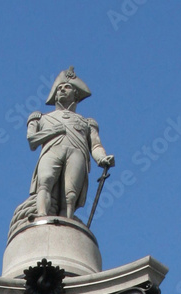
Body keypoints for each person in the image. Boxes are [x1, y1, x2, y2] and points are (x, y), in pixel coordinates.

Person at [8, 67, 114, 236]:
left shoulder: (87, 122)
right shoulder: (41, 118)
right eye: (59, 88)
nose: (62, 90)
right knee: (45, 180)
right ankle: (41, 214)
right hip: (52, 150)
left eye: (67, 87)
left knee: (70, 193)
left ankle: (68, 221)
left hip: (77, 152)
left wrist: (102, 159)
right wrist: (54, 131)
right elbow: (32, 140)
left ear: (76, 94)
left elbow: (95, 145)